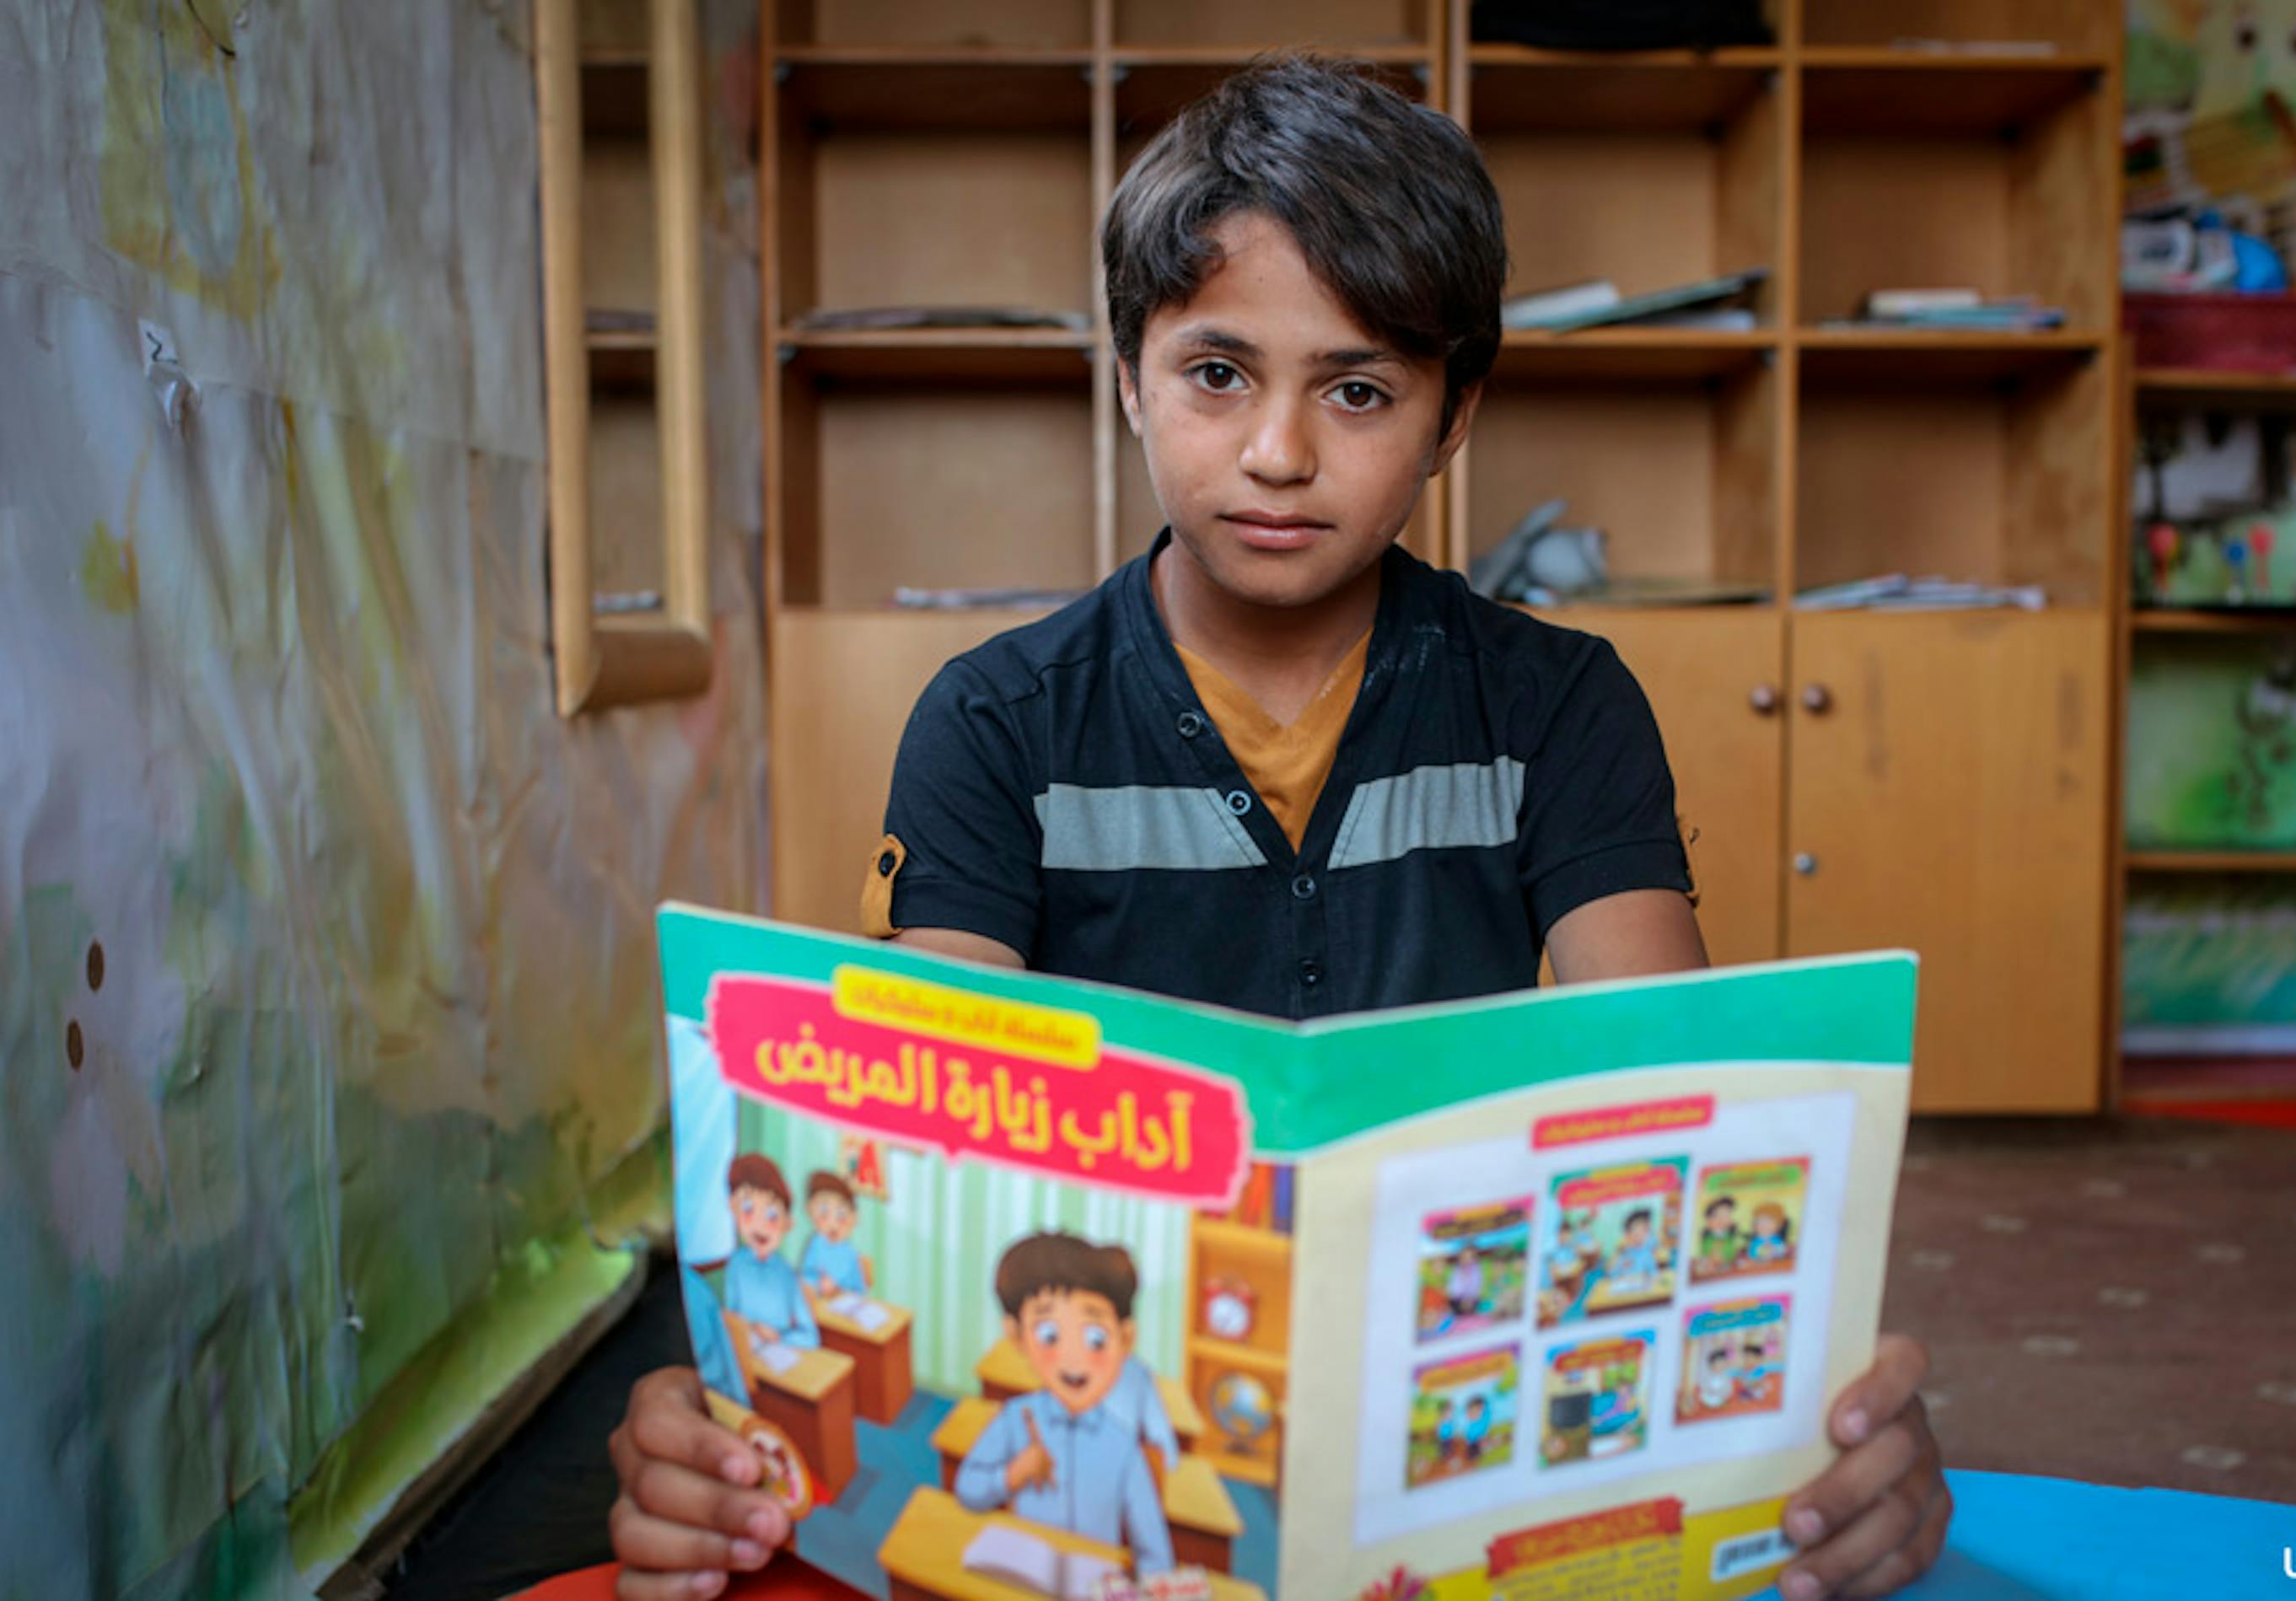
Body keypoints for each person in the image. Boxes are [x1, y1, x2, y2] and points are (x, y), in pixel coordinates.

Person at [606, 55, 1949, 1601]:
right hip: (1096, 1386)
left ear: (1454, 418)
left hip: (1461, 1402)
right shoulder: (992, 722)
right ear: (1129, 374)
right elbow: (916, 1143)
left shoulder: (1562, 707)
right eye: (1218, 372)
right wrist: (727, 1420)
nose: (1279, 454)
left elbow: (1669, 1106)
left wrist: (1808, 1427)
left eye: (1361, 388)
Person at [952, 1233, 1174, 1577]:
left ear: (1125, 1339)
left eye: (1095, 1338)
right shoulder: (1016, 1418)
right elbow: (967, 1489)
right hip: (1022, 1582)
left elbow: (1155, 1555)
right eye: (1049, 1335)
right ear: (1016, 1335)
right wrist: (1013, 1474)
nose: (1073, 1359)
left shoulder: (1123, 1448)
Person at [719, 1156, 816, 1353]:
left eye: (772, 1215)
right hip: (746, 1357)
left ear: (787, 1223)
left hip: (780, 1354)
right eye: (747, 1209)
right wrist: (749, 1330)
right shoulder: (736, 1265)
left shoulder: (786, 1274)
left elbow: (810, 1337)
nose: (759, 1225)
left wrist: (779, 1337)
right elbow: (731, 1320)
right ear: (732, 1208)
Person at [796, 1172, 868, 1299]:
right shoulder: (816, 1244)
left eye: (841, 1214)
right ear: (810, 1211)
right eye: (824, 1212)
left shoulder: (851, 1254)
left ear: (854, 1218)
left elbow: (859, 1289)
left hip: (842, 1310)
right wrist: (818, 1285)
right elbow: (806, 1275)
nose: (832, 1224)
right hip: (817, 1305)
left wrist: (840, 1289)